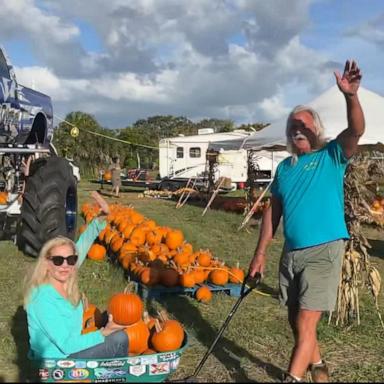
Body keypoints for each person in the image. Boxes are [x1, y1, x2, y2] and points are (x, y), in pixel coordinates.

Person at [248, 60, 364, 383]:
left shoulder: (332, 155)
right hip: (292, 254)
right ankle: (320, 371)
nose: (297, 129)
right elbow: (273, 213)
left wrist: (350, 96)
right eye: (292, 126)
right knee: (295, 322)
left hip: (323, 251)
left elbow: (356, 129)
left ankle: (292, 378)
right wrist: (259, 254)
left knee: (306, 323)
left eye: (304, 124)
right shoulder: (285, 168)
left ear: (316, 129)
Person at [24, 191, 128, 360]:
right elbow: (66, 345)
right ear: (46, 263)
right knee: (119, 338)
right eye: (58, 260)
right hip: (57, 361)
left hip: (69, 349)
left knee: (116, 331)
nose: (65, 265)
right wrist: (104, 332)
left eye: (71, 259)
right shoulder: (41, 297)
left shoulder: (63, 274)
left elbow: (83, 245)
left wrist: (101, 218)